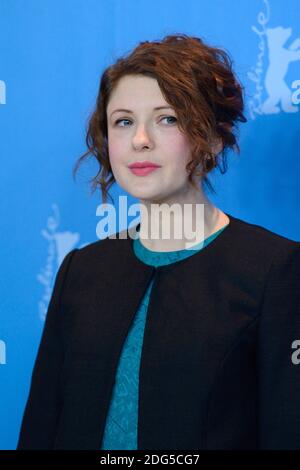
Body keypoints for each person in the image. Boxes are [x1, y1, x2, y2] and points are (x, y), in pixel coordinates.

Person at [17, 33, 300, 450]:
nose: (140, 140)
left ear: (215, 136)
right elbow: (42, 426)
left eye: (167, 118)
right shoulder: (82, 270)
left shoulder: (275, 268)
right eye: (123, 121)